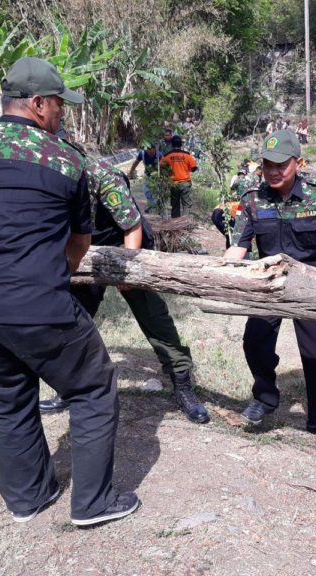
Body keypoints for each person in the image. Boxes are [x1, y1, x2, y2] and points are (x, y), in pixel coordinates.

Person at [0, 57, 139, 526]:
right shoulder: (64, 159)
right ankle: (93, 503)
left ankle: (27, 499)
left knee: (8, 396)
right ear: (38, 103)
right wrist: (49, 271)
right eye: (59, 105)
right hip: (37, 304)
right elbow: (81, 241)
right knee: (93, 387)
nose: (62, 113)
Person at [40, 132, 210, 424]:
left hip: (125, 244)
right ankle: (68, 387)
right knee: (72, 319)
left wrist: (128, 271)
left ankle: (182, 384)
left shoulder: (99, 173)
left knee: (153, 317)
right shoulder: (42, 176)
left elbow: (132, 226)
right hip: (84, 248)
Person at [224, 130, 316, 445]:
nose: (274, 171)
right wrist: (220, 273)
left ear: (299, 163)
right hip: (269, 283)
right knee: (254, 342)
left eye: (282, 165)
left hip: (312, 283)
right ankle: (265, 397)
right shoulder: (252, 198)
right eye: (268, 165)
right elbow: (239, 245)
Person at [213, 162, 262, 248]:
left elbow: (232, 190)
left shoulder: (238, 180)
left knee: (232, 236)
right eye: (259, 170)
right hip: (230, 211)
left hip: (221, 210)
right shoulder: (254, 180)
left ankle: (232, 254)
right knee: (239, 237)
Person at [159, 135, 198, 218]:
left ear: (172, 145)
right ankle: (185, 222)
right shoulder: (187, 155)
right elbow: (194, 168)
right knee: (186, 205)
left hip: (174, 184)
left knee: (175, 205)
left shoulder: (167, 156)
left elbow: (161, 167)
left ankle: (175, 223)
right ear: (181, 145)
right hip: (185, 183)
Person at [127, 142, 161, 213]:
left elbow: (164, 165)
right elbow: (136, 162)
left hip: (157, 176)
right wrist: (131, 172)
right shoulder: (142, 154)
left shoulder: (159, 155)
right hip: (147, 175)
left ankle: (155, 206)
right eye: (148, 151)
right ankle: (151, 205)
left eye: (151, 151)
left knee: (156, 192)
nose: (150, 153)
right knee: (146, 190)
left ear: (154, 149)